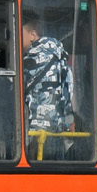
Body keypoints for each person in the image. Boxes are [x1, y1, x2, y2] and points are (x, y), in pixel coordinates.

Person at [22, 13, 74, 159]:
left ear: (32, 35)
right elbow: (68, 89)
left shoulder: (32, 58)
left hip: (37, 132)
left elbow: (7, 84)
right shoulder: (60, 56)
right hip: (58, 129)